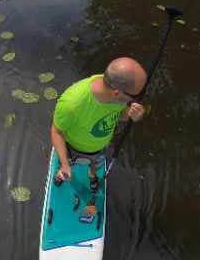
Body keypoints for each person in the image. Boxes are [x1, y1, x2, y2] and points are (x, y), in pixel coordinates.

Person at [50, 57, 146, 219]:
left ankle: (92, 177)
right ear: (117, 92)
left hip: (100, 146)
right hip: (73, 148)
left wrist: (130, 115)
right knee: (66, 168)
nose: (137, 100)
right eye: (136, 96)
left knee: (95, 165)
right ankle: (61, 172)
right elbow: (56, 131)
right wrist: (65, 163)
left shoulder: (117, 94)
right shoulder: (73, 104)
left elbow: (118, 117)